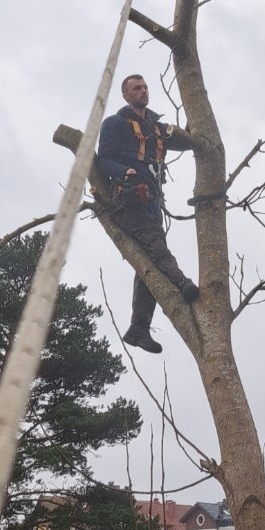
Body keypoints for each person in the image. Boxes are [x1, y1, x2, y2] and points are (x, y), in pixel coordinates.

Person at [97, 74, 201, 353]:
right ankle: (181, 283)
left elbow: (186, 140)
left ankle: (139, 328)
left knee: (150, 259)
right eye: (136, 88)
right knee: (156, 245)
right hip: (128, 199)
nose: (143, 91)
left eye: (145, 87)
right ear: (126, 95)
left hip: (152, 201)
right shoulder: (115, 124)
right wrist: (125, 172)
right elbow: (103, 160)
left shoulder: (157, 128)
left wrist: (195, 124)